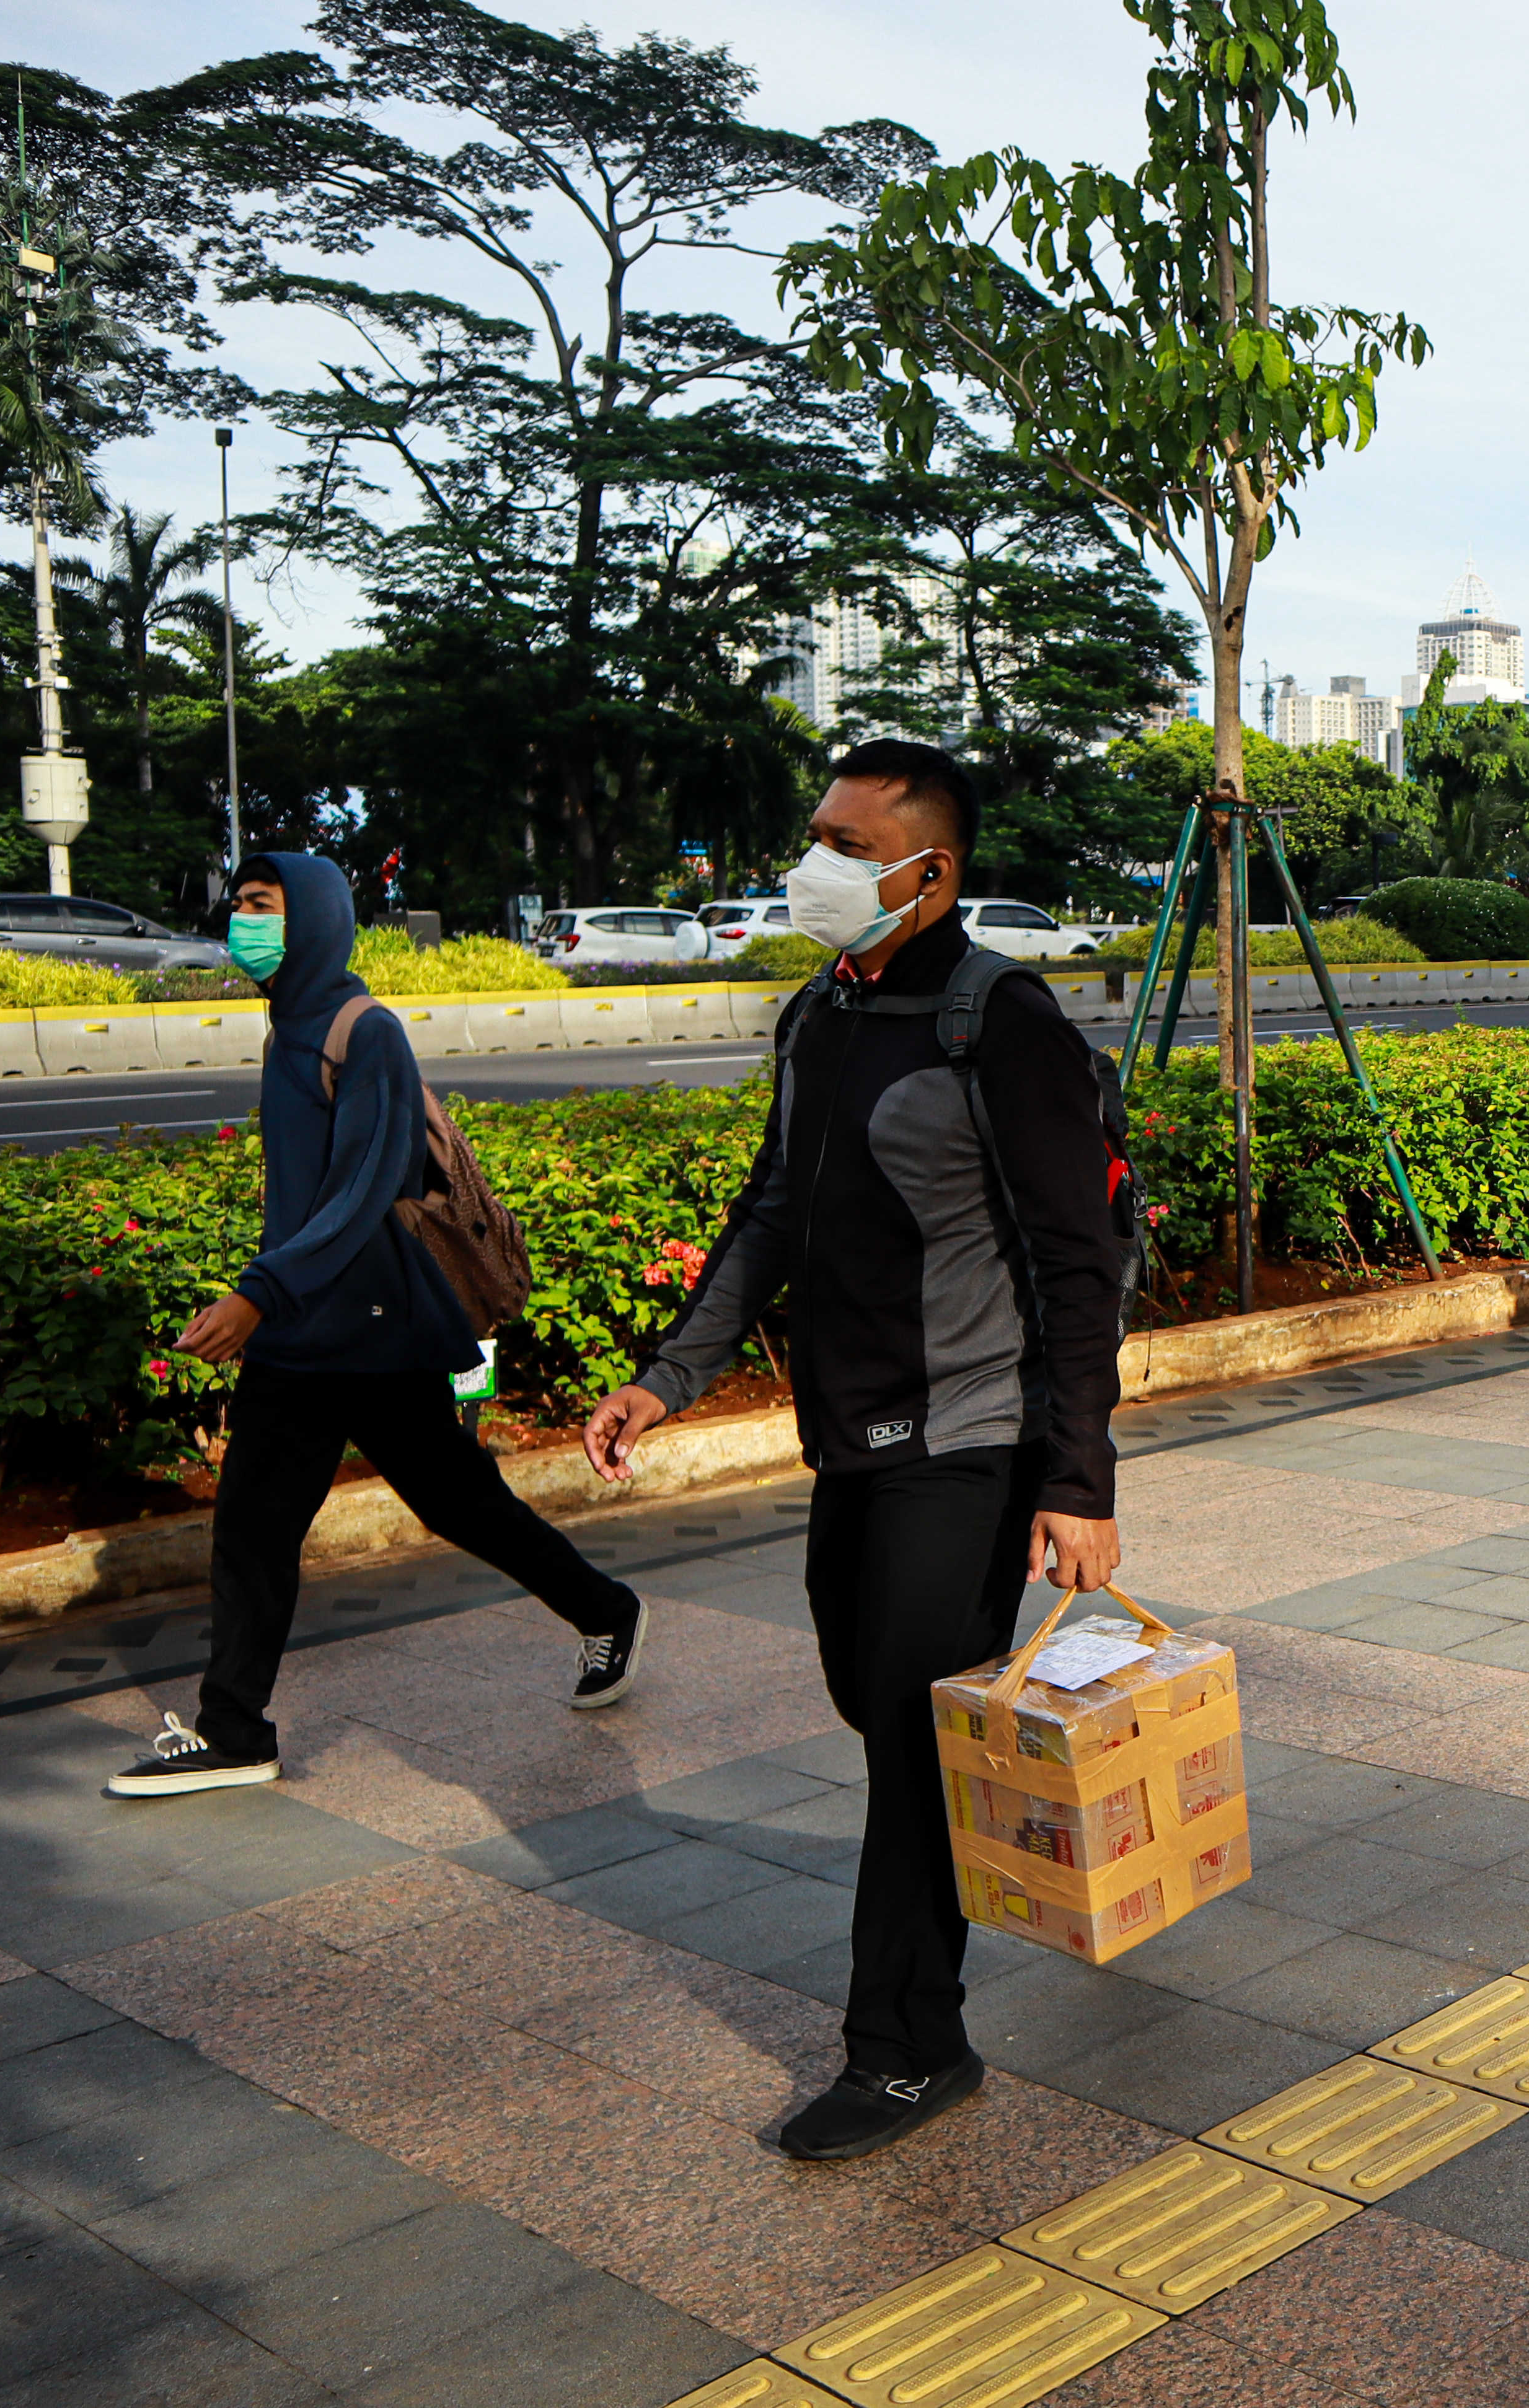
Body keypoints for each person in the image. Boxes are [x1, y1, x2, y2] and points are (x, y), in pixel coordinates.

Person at [581, 740, 1129, 2163]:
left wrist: (1078, 1482)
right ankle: (945, 1902)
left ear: (927, 871)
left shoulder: (997, 1022)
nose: (808, 863)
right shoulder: (821, 1011)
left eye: (839, 840)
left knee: (904, 1733)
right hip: (854, 1439)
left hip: (969, 1441)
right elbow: (771, 1213)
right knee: (867, 1694)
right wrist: (666, 1381)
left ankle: (905, 2048)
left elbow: (1082, 1264)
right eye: (813, 833)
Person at [108, 855, 645, 1799]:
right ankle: (234, 1729)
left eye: (263, 905)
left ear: (312, 917)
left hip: (372, 1328)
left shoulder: (369, 1035)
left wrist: (259, 1291)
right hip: (302, 1332)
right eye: (237, 904)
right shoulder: (288, 1031)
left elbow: (363, 1193)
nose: (244, 922)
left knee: (459, 1505)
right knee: (253, 1527)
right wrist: (275, 1296)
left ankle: (606, 1606)